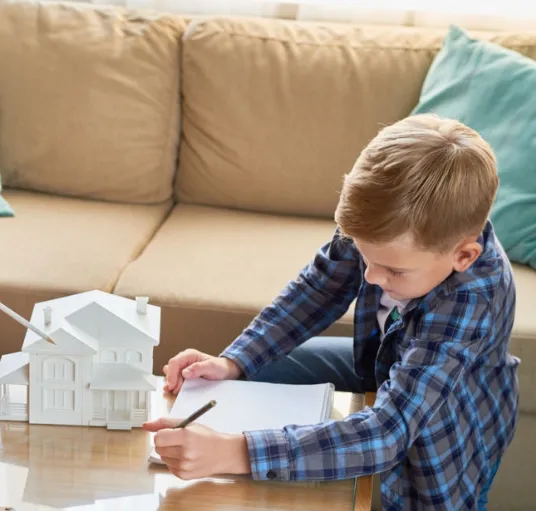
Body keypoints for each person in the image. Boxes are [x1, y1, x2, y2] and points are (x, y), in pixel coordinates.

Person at [146, 114, 519, 510]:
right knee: (260, 368)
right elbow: (319, 288)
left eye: (394, 270)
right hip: (380, 358)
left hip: (451, 418)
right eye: (363, 255)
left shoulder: (474, 295)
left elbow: (388, 434)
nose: (371, 277)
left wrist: (237, 452)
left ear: (463, 255)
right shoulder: (383, 224)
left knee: (427, 496)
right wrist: (234, 361)